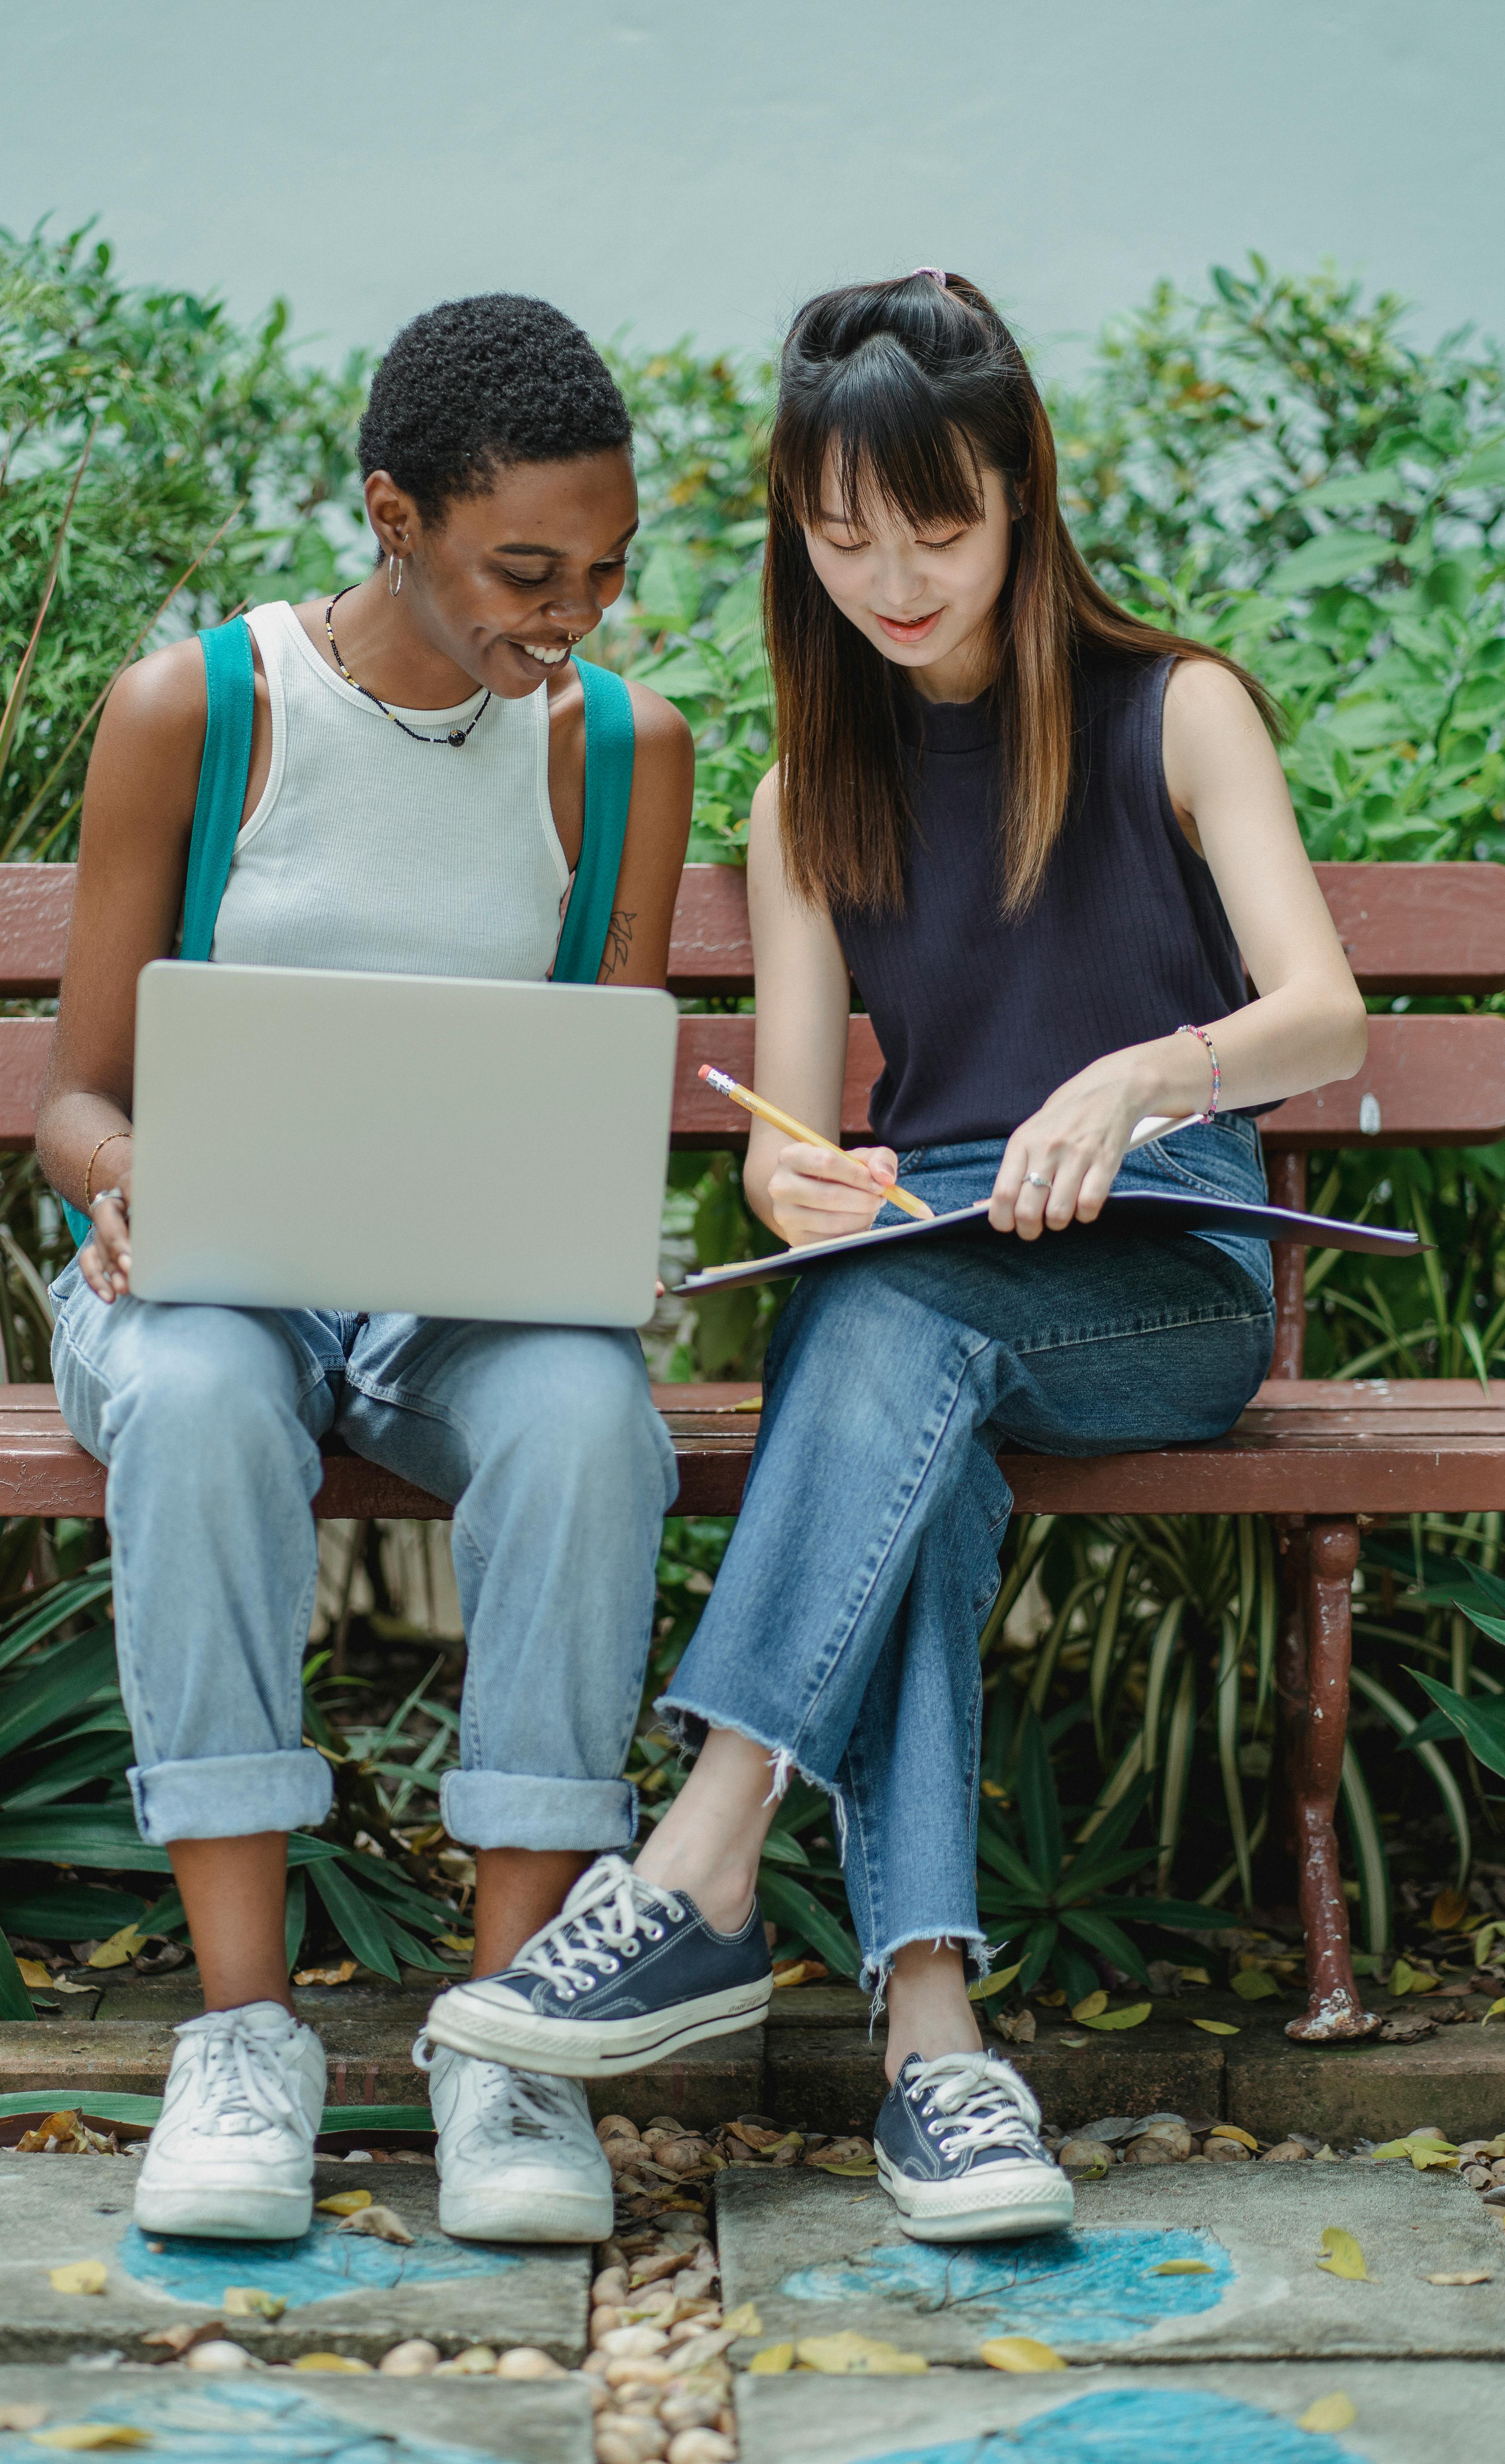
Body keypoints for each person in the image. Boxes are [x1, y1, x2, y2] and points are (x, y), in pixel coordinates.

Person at [423, 269, 1367, 2241]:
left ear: (1021, 492)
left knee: (891, 1329)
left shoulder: (1171, 711)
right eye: (842, 539)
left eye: (935, 526)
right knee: (888, 1333)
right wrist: (804, 1189)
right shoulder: (805, 798)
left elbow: (1325, 1014)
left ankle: (700, 1863)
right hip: (929, 1277)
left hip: (1158, 1277)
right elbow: (791, 1142)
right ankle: (939, 2059)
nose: (893, 579)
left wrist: (1144, 1079)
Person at [34, 293, 693, 2246]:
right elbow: (71, 1098)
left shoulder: (616, 749)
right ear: (392, 512)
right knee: (212, 1389)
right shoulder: (201, 711)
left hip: (457, 1304)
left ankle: (503, 2045)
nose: (569, 613)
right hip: (208, 1282)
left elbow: (593, 1085)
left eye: (603, 570)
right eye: (523, 568)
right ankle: (245, 2035)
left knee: (588, 1418)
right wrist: (137, 1174)